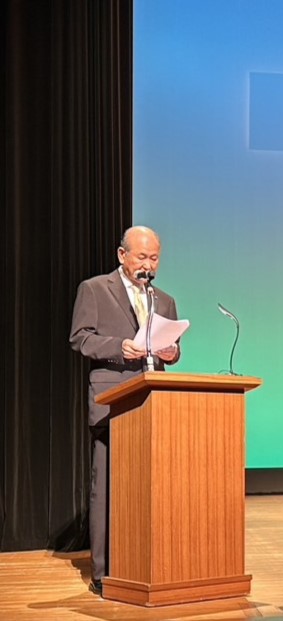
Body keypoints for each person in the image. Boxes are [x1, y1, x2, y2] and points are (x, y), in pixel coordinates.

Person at [69, 226, 181, 596]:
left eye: (155, 258)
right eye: (142, 257)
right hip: (112, 400)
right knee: (107, 487)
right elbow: (80, 338)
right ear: (122, 255)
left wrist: (172, 352)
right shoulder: (94, 289)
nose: (149, 264)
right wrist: (120, 346)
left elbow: (174, 347)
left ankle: (148, 562)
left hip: (154, 402)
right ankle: (103, 572)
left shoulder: (165, 300)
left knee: (152, 487)